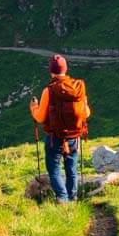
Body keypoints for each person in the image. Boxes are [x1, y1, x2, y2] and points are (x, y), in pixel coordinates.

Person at [30, 54, 89, 203]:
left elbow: (40, 118)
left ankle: (62, 199)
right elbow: (86, 113)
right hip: (74, 137)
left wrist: (34, 108)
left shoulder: (48, 91)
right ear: (65, 69)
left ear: (51, 71)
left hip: (54, 138)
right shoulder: (78, 88)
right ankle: (72, 198)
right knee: (71, 170)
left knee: (54, 170)